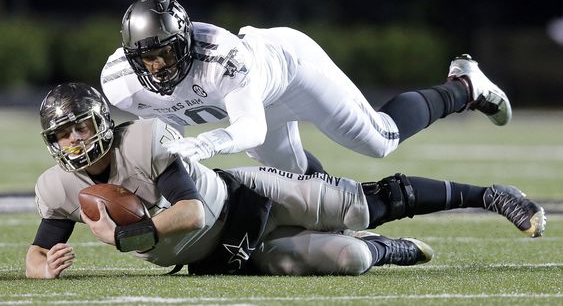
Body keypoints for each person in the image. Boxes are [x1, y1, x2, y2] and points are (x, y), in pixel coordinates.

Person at [26, 83, 544, 279]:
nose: (75, 140)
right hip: (224, 257)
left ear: (102, 122)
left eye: (83, 126)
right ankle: (393, 250)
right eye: (64, 133)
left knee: (362, 205)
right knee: (353, 258)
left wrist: (125, 237)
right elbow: (37, 252)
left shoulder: (140, 140)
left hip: (245, 196)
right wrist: (42, 269)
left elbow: (191, 211)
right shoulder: (58, 187)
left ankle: (493, 196)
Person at [101, 0, 511, 175]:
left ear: (186, 42)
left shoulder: (222, 58)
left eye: (168, 54)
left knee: (380, 140)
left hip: (292, 72)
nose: (158, 67)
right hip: (249, 102)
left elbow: (250, 129)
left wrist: (203, 145)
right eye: (147, 58)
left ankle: (464, 86)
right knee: (291, 173)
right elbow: (166, 128)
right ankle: (336, 219)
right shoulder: (120, 84)